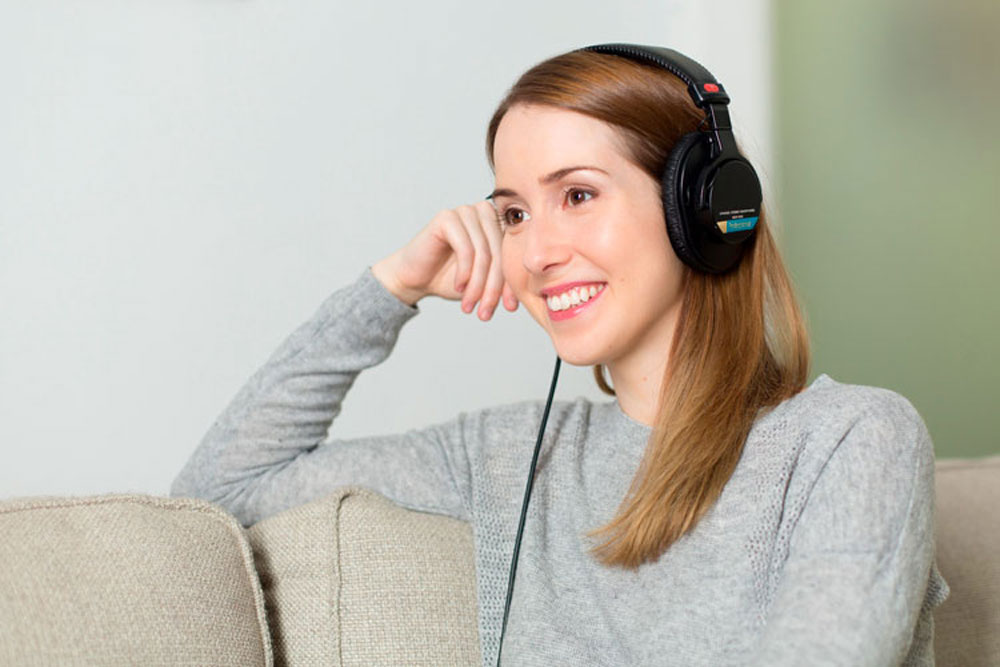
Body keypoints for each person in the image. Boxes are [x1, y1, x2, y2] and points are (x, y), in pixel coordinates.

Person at [171, 44, 950, 666]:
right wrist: (391, 288)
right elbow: (220, 491)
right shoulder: (511, 456)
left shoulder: (852, 439)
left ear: (705, 210)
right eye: (512, 212)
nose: (536, 252)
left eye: (577, 194)